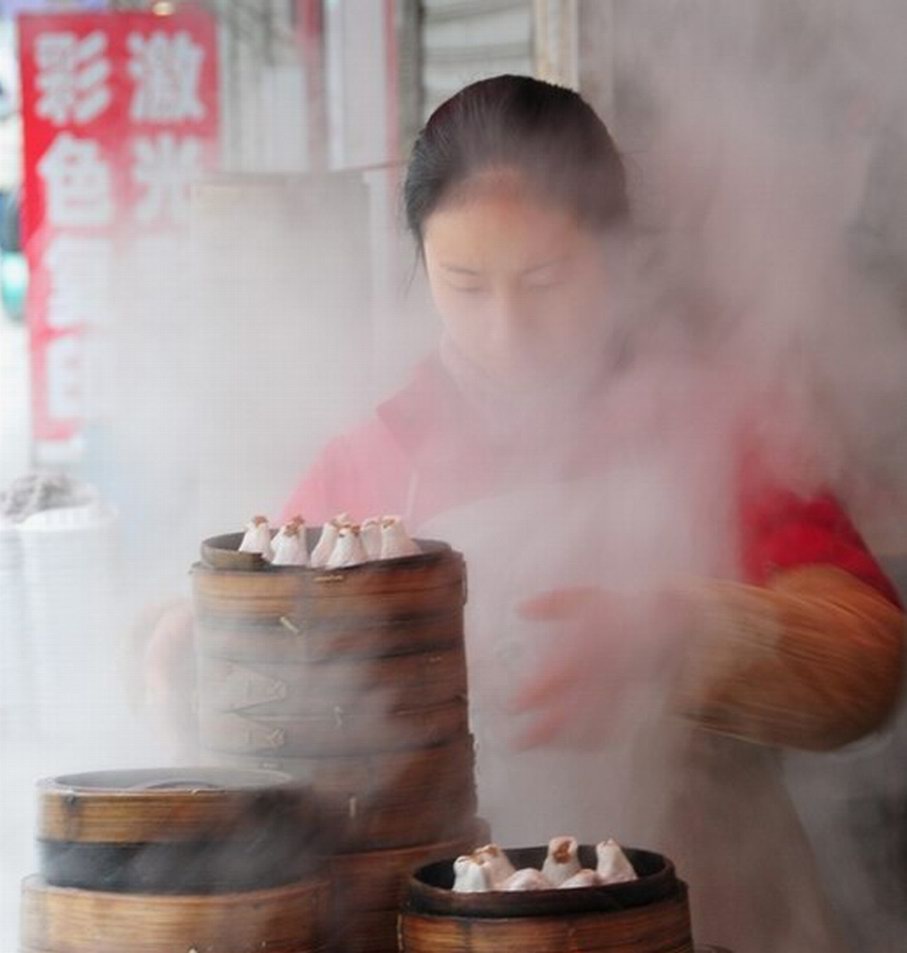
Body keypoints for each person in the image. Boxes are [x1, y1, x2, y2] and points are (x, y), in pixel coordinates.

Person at [150, 76, 904, 952]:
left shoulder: (718, 422)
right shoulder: (370, 464)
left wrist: (681, 637)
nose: (507, 329)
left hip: (710, 912)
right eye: (465, 284)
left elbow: (866, 665)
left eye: (546, 280)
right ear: (419, 263)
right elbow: (271, 695)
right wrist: (188, 659)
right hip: (461, 928)